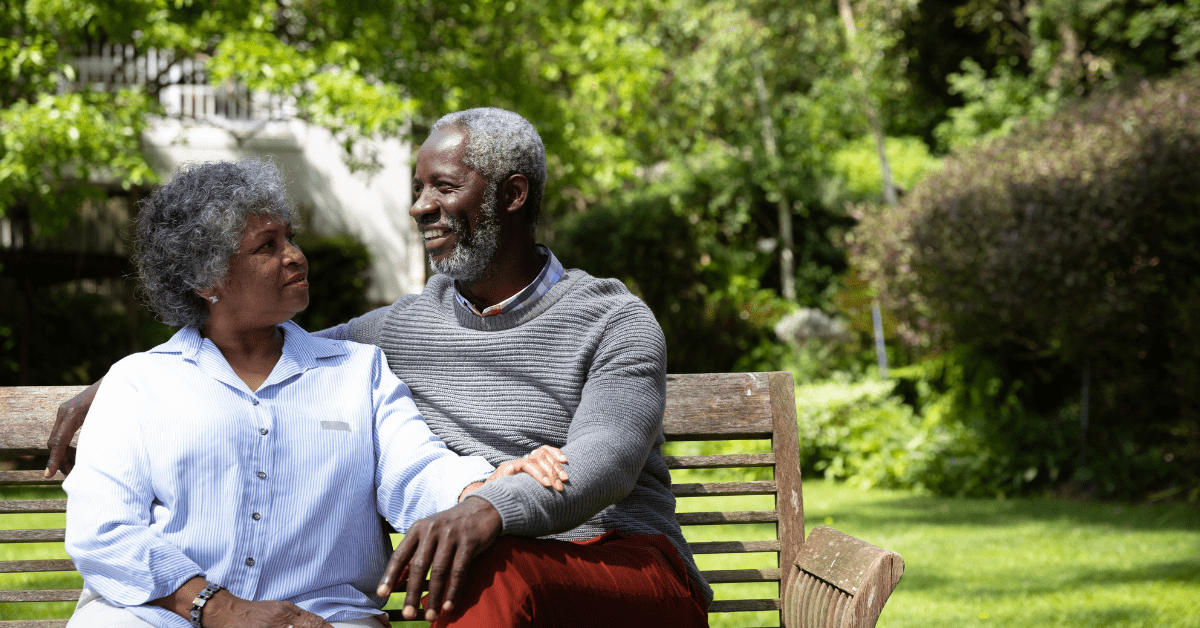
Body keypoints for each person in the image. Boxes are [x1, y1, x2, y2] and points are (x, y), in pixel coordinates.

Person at [49, 108, 712, 626]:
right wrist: (119, 384)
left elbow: (606, 459)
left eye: (443, 187)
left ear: (512, 195)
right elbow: (261, 352)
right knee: (480, 560)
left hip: (613, 561)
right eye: (417, 187)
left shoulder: (614, 319)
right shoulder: (393, 332)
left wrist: (488, 505)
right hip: (488, 554)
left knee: (480, 559)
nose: (420, 206)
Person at [62, 158, 565, 628]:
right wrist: (219, 609)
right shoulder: (139, 383)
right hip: (165, 615)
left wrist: (485, 488)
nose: (295, 257)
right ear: (206, 279)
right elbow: (104, 529)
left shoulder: (358, 372)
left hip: (323, 618)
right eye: (267, 246)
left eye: (290, 238)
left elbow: (416, 472)